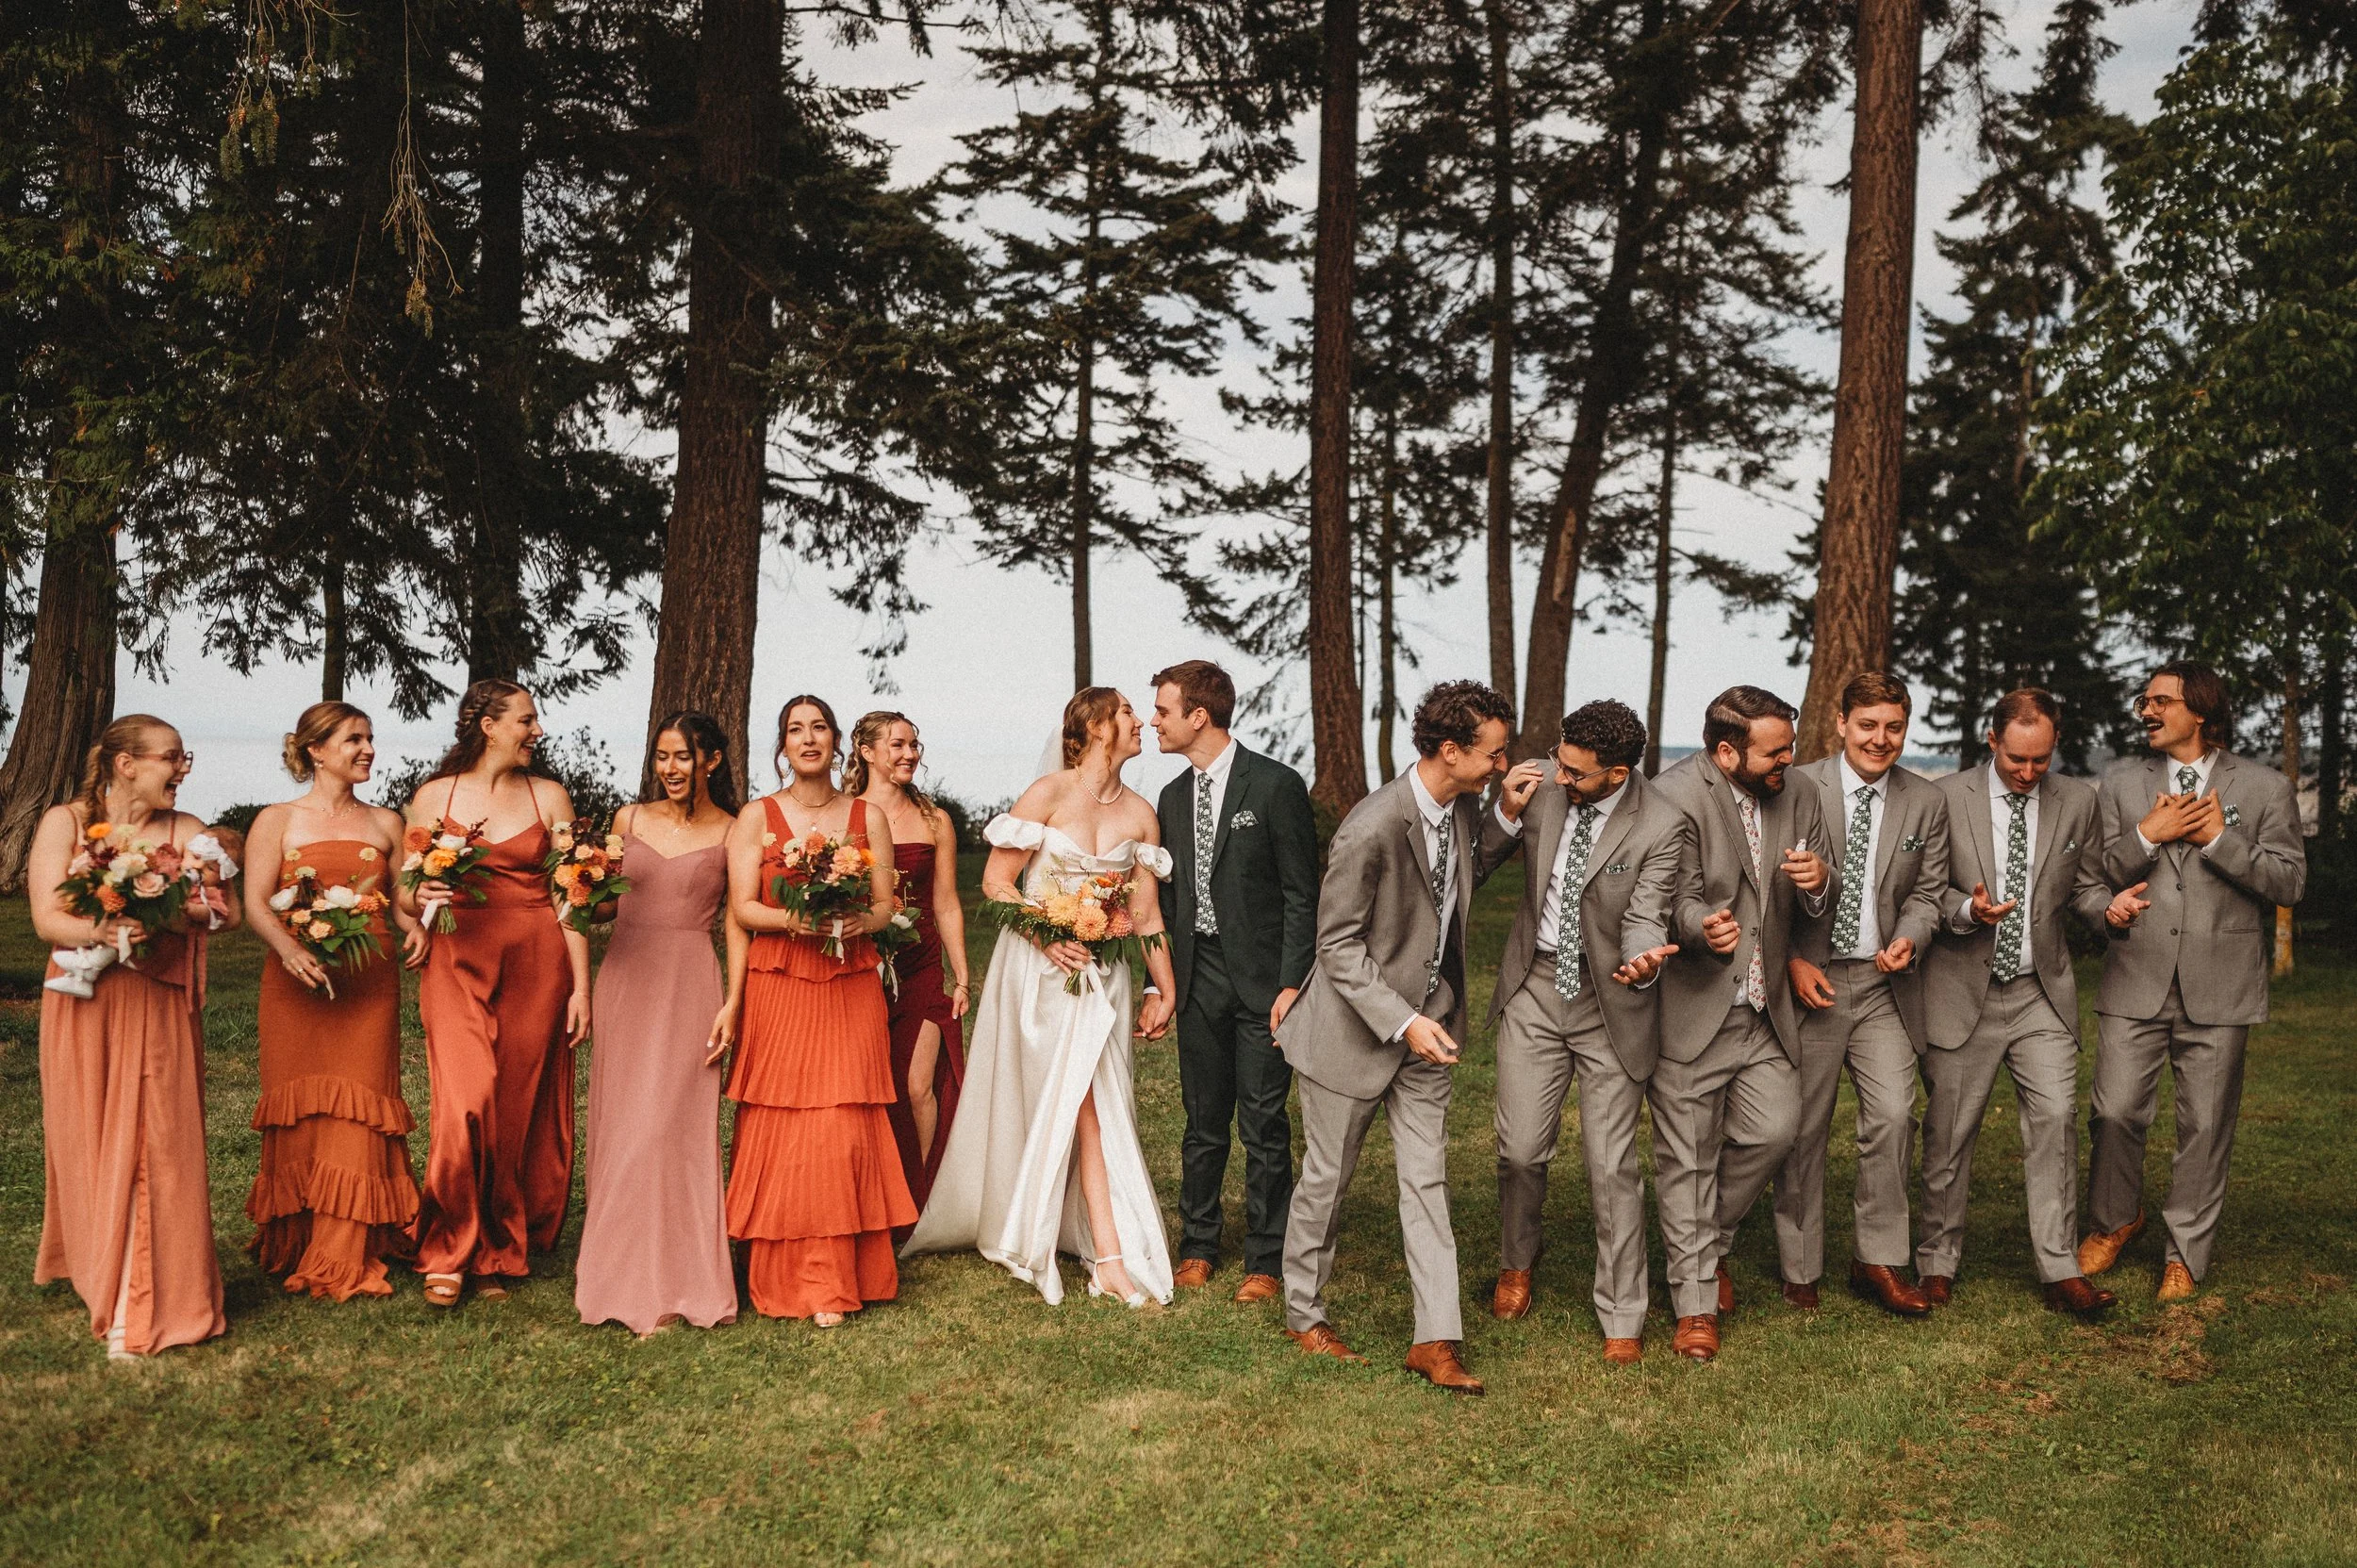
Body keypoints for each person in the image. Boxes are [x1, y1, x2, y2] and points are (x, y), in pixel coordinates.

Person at [904, 687, 1180, 1308]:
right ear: (1098, 725)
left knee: (1096, 1098)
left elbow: (1145, 914)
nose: (1140, 722)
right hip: (1039, 972)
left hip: (1102, 977)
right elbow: (996, 884)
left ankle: (1085, 1236)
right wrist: (1047, 932)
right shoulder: (1047, 796)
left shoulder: (1141, 813)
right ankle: (1109, 1253)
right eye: (1130, 712)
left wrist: (1166, 987)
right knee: (1083, 1099)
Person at [1277, 680, 1517, 1395]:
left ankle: (1435, 1339)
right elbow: (1338, 944)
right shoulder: (1371, 825)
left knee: (1427, 1179)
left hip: (1430, 1025)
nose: (1502, 764)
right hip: (1352, 1033)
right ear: (1450, 751)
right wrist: (1402, 1020)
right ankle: (1302, 1315)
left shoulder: (1464, 805)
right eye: (1494, 754)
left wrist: (1506, 814)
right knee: (1327, 1177)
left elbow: (1464, 870)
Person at [2081, 661, 2306, 1301]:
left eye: (2159, 701)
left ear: (2201, 709)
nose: (2144, 711)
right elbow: (2094, 876)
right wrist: (2146, 836)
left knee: (2205, 1125)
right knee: (2113, 1109)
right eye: (2143, 701)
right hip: (2135, 975)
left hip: (2222, 982)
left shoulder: (2264, 787)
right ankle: (2114, 1219)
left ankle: (2185, 1252)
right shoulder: (2121, 784)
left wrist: (2219, 839)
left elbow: (2291, 881)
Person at [1477, 699, 1681, 1364]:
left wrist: (1645, 959)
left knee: (1611, 1163)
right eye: (1560, 760)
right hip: (1535, 987)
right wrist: (1505, 810)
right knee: (1519, 1150)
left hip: (1609, 1000)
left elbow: (1648, 913)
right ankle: (1516, 1262)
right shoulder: (1540, 782)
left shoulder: (1661, 823)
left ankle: (1623, 1308)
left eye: (1578, 773)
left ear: (1617, 773)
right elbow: (1477, 862)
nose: (1559, 778)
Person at [31, 716, 238, 1358]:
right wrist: (107, 930)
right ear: (126, 764)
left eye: (185, 757)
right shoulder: (64, 822)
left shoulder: (188, 831)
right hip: (81, 996)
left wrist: (166, 907)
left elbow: (220, 912)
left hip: (155, 999)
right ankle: (106, 1273)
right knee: (88, 1134)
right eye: (171, 758)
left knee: (156, 1141)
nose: (182, 770)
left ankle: (140, 1301)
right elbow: (45, 916)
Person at [1919, 687, 2117, 1318]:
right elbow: (1926, 890)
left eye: (2042, 760)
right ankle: (1936, 1259)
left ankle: (2059, 1266)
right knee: (1949, 1131)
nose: (2029, 773)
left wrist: (2109, 909)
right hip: (1960, 987)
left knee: (2057, 1117)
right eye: (2017, 760)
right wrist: (1966, 909)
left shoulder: (2078, 800)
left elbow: (2082, 888)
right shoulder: (1946, 798)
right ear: (1993, 741)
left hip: (2040, 992)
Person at [1649, 685, 1832, 1362]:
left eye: (1790, 745)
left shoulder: (1801, 791)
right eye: (1775, 750)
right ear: (1727, 752)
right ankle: (1694, 1305)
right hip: (1693, 1007)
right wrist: (1700, 924)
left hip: (1765, 1011)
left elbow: (1823, 889)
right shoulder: (1672, 796)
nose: (1790, 759)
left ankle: (1707, 1241)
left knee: (1775, 1129)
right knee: (1687, 1159)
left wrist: (1817, 880)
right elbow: (1664, 897)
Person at [724, 696, 915, 1326]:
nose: (808, 738)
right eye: (794, 729)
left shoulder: (867, 816)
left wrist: (861, 917)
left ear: (836, 741)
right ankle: (785, 1275)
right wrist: (798, 921)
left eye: (819, 728)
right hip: (780, 982)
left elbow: (887, 906)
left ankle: (839, 1277)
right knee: (787, 1129)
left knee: (841, 1127)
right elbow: (742, 908)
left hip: (848, 981)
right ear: (782, 744)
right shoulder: (758, 815)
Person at [403, 680, 592, 1308]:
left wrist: (581, 986)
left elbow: (574, 894)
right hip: (457, 957)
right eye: (526, 720)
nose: (536, 730)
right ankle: (449, 1243)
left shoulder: (551, 795)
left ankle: (497, 1248)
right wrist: (418, 901)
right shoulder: (435, 796)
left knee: (513, 1108)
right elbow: (405, 889)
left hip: (536, 962)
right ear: (487, 724)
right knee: (466, 1100)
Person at [1768, 672, 1950, 1316]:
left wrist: (1911, 935)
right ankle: (1799, 1263)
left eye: (1894, 726)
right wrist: (1789, 959)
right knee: (1804, 1126)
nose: (1881, 738)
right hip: (1811, 978)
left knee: (1895, 1114)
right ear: (1840, 723)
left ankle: (1877, 1256)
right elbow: (1763, 886)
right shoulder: (1797, 786)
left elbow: (1929, 891)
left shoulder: (1925, 800)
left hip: (1882, 983)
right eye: (1867, 724)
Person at [241, 702, 425, 1302]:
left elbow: (400, 900)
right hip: (297, 979)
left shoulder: (386, 822)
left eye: (370, 738)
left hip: (368, 981)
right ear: (316, 751)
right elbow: (255, 904)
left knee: (362, 1107)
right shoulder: (277, 819)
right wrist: (288, 952)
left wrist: (415, 922)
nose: (368, 748)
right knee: (304, 1110)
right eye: (354, 739)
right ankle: (297, 1238)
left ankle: (346, 1248)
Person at [1149, 660, 1318, 1304]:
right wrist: (1157, 984)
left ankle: (1266, 1257)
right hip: (1198, 977)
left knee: (1263, 1120)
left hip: (1264, 981)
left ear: (1199, 715)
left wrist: (1291, 983)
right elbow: (1164, 904)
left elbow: (1305, 893)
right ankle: (1197, 1244)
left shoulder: (1274, 786)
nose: (1152, 721)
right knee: (1202, 1118)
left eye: (1163, 710)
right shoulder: (1169, 797)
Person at [575, 712, 745, 1336]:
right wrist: (581, 888)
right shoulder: (629, 819)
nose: (671, 769)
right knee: (626, 1125)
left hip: (691, 980)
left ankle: (680, 1278)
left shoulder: (733, 829)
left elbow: (735, 921)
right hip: (627, 975)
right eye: (663, 757)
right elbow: (607, 903)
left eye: (683, 756)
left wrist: (734, 1000)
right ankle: (618, 1276)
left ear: (712, 761)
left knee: (673, 1126)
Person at [846, 711, 970, 1219]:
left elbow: (945, 902)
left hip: (921, 965)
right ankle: (871, 1195)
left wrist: (961, 974)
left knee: (918, 1085)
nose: (909, 754)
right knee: (869, 1086)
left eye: (915, 745)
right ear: (866, 751)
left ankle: (915, 1205)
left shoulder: (935, 820)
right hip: (859, 962)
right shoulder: (845, 815)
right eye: (897, 744)